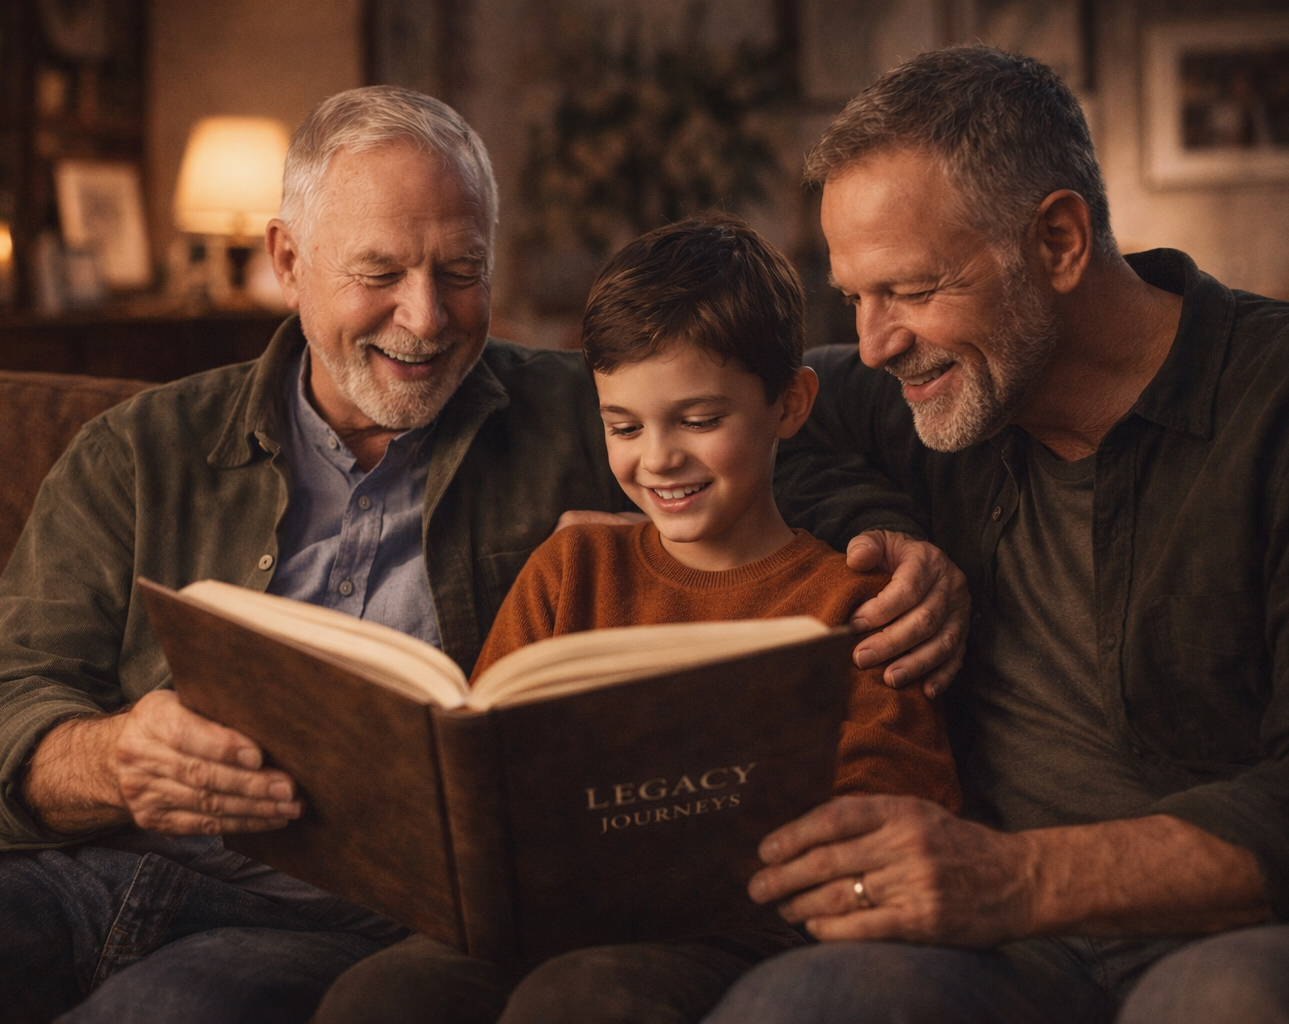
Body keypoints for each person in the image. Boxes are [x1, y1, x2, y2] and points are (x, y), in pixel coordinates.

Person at [0, 89, 963, 1023]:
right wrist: (116, 754)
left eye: (462, 270)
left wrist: (904, 544)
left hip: (317, 918)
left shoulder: (578, 413)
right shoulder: (141, 450)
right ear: (289, 259)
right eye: (380, 272)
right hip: (64, 875)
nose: (426, 319)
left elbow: (767, 457)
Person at [705, 45, 1289, 1024]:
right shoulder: (923, 391)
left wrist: (1013, 877)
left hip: (1258, 932)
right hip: (1016, 961)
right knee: (797, 1006)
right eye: (852, 295)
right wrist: (888, 528)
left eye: (908, 287)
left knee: (1228, 1000)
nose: (874, 341)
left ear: (1060, 242)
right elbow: (763, 413)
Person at [313, 214, 961, 1024]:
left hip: (739, 926)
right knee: (380, 993)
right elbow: (481, 764)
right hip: (544, 913)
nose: (657, 459)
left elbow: (898, 802)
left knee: (581, 999)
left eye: (698, 421)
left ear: (790, 405)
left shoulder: (853, 604)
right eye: (623, 427)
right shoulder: (571, 570)